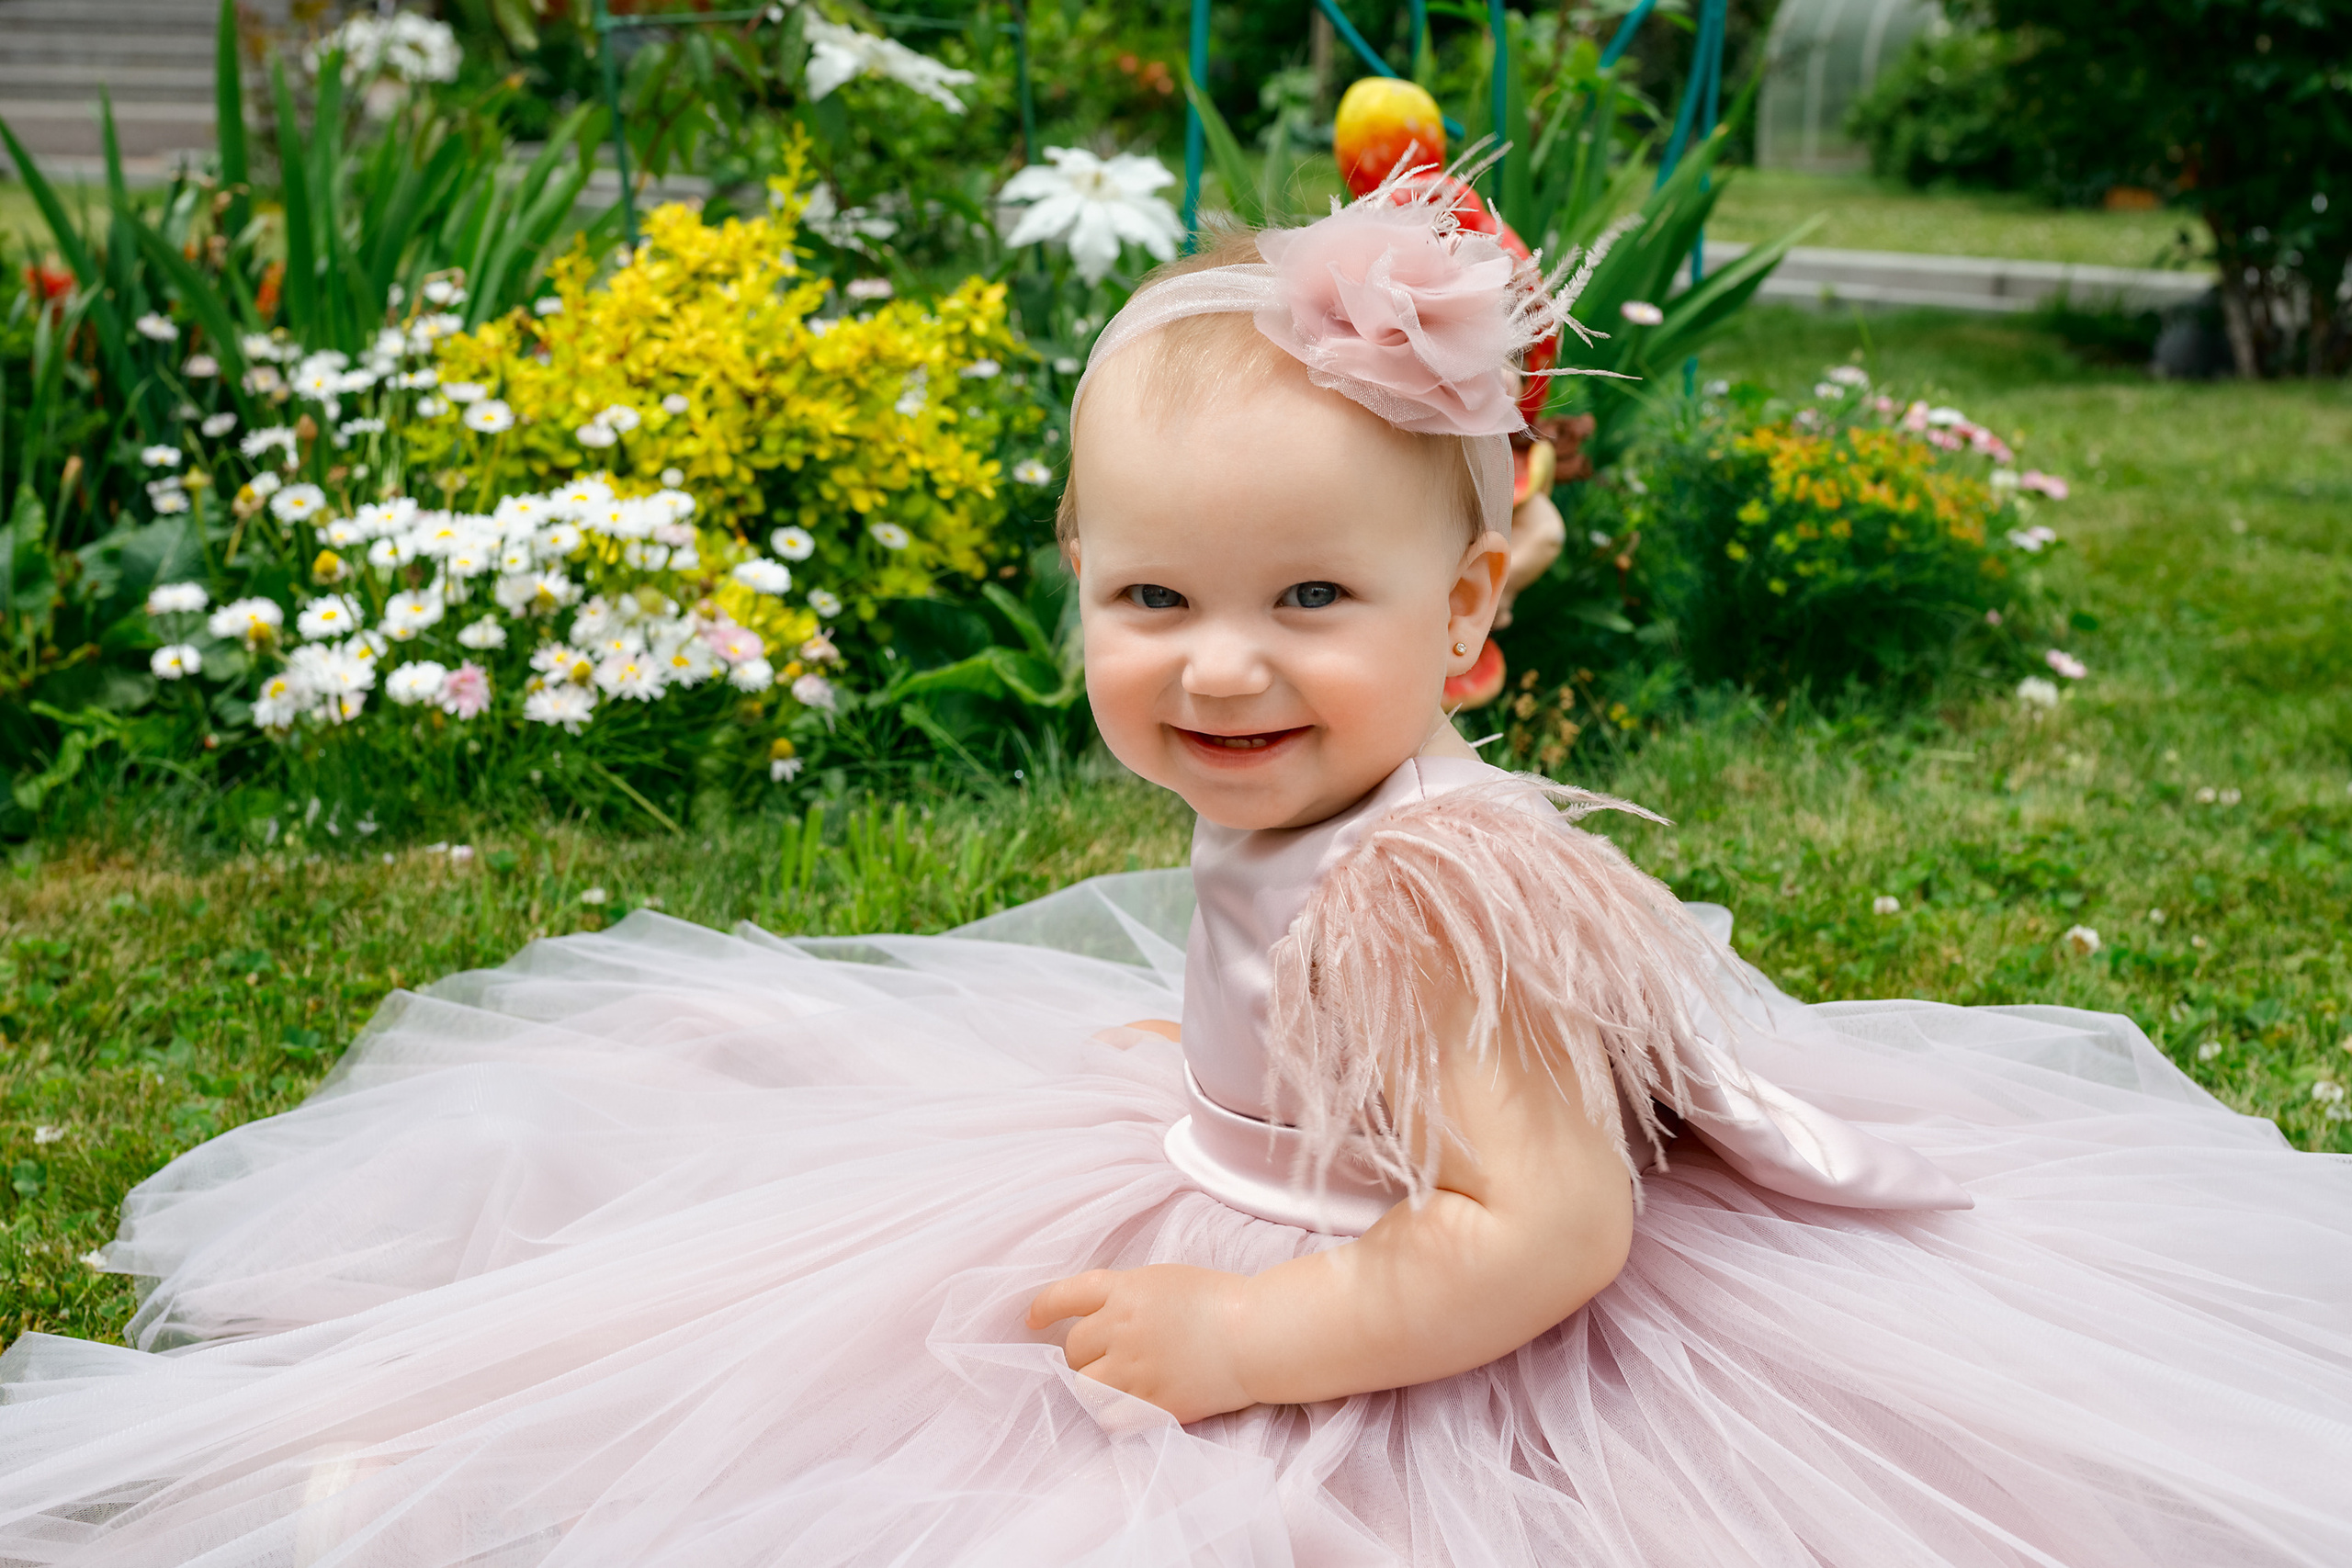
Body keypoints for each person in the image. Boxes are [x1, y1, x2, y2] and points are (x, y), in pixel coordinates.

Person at [3, 175, 2348, 1568]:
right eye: (1152, 597)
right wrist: (1255, 1069)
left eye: (1309, 599)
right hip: (1283, 1162)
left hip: (1428, 1301)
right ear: (1080, 587)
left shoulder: (1431, 894)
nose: (1219, 664)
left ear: (1464, 615)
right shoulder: (1321, 817)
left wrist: (1248, 1337)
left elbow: (1543, 1226)